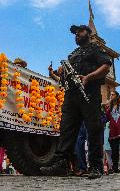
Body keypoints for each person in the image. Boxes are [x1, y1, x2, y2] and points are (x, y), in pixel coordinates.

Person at [40, 25, 111, 179]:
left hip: (89, 92)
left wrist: (88, 77)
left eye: (80, 31)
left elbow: (106, 67)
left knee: (93, 129)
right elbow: (64, 80)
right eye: (75, 33)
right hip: (71, 95)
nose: (77, 34)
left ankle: (96, 166)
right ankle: (60, 165)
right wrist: (54, 74)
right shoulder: (72, 55)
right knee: (67, 129)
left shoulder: (95, 48)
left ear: (89, 33)